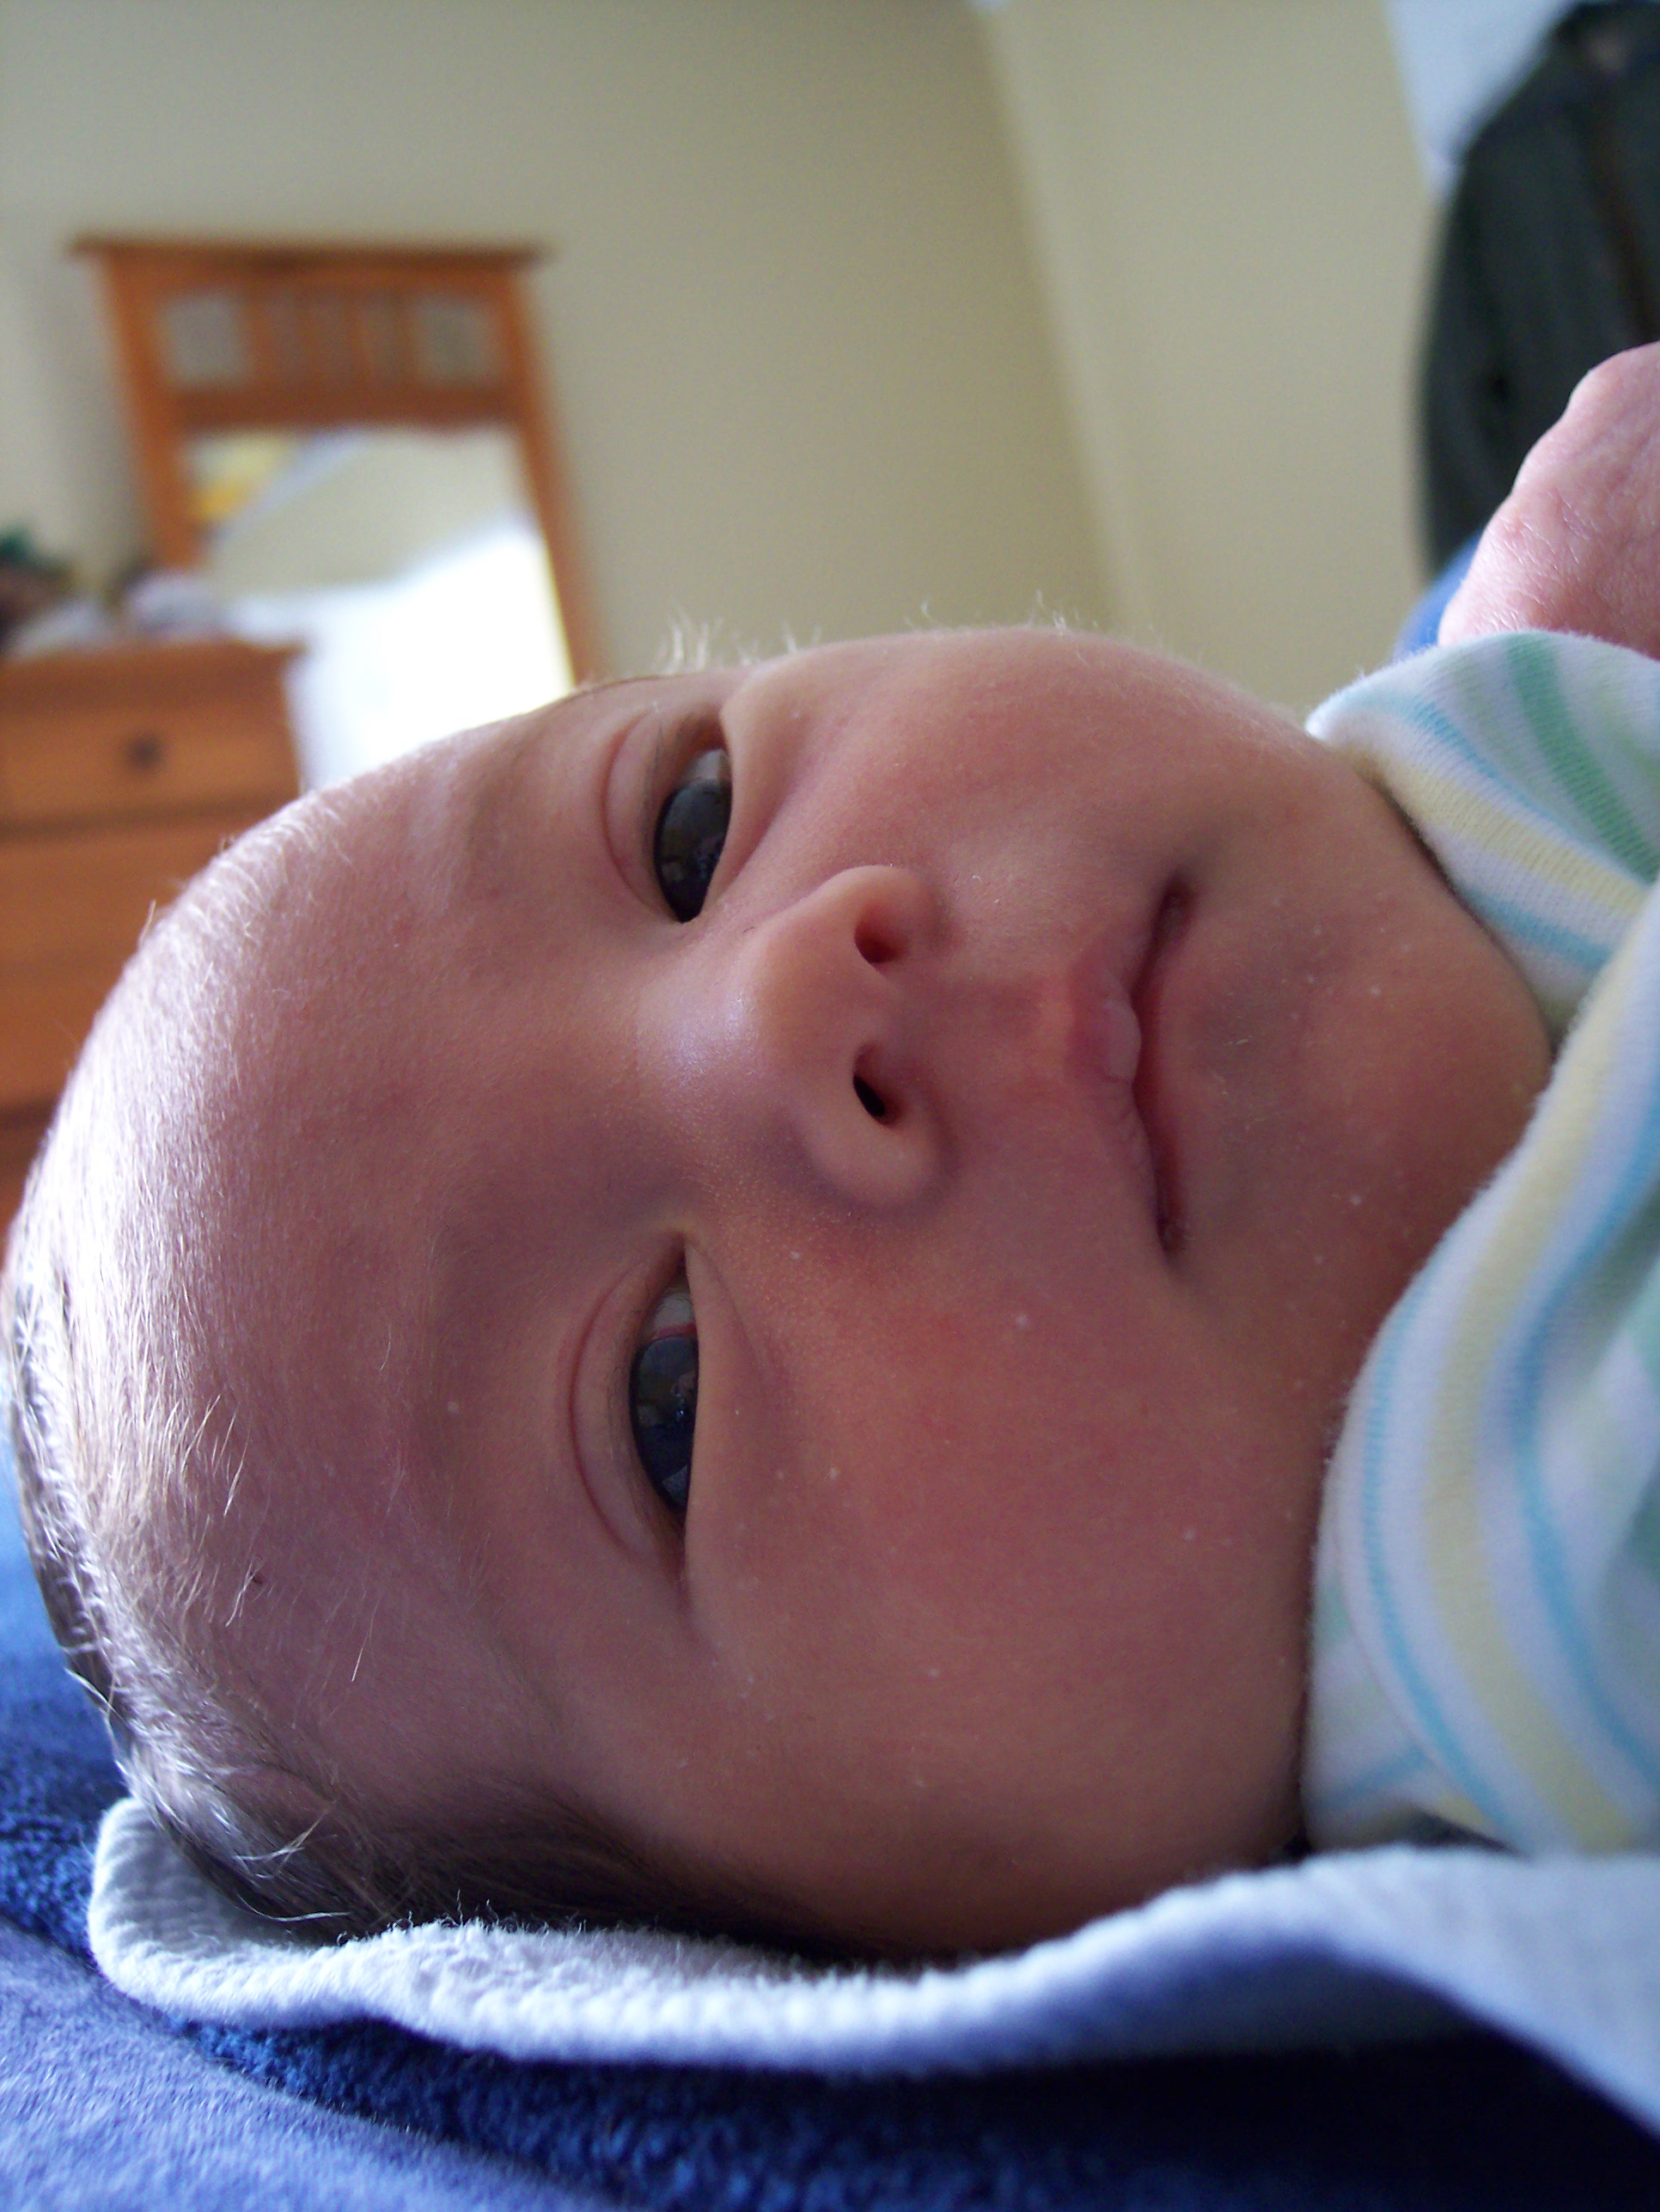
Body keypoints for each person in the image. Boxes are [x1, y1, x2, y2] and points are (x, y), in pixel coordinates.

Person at [7, 353, 1660, 1962]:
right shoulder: (1549, 1622)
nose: (786, 1002)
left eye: (689, 829)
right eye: (665, 1398)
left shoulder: (1456, 740)